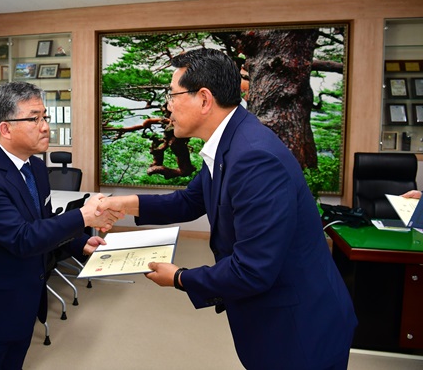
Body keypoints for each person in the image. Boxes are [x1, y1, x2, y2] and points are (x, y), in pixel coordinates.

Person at [97, 48, 358, 369]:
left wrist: (180, 278)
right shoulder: (232, 140)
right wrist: (122, 204)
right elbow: (189, 200)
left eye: (172, 94)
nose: (168, 105)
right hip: (276, 317)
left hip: (299, 327)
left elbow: (252, 269)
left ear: (204, 99)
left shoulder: (253, 157)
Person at [0, 82, 119, 370]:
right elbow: (22, 238)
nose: (45, 126)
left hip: (22, 307)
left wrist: (79, 243)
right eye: (34, 118)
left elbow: (44, 223)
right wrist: (84, 217)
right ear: (5, 129)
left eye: (45, 117)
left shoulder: (36, 167)